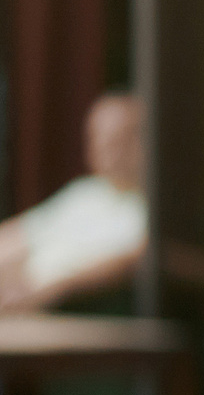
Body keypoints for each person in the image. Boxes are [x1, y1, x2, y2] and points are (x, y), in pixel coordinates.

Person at [0, 93, 147, 314]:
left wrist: (47, 291)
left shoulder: (156, 207)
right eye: (98, 139)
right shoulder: (83, 194)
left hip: (76, 313)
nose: (106, 151)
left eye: (119, 140)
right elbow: (18, 238)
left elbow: (133, 261)